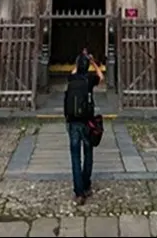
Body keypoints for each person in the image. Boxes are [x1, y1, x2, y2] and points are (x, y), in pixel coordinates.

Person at [64, 49, 103, 204]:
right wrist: (93, 62)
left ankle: (78, 192)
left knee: (75, 157)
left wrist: (79, 62)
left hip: (73, 122)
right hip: (87, 121)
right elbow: (101, 77)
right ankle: (86, 186)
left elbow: (74, 72)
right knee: (88, 154)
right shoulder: (89, 79)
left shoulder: (72, 79)